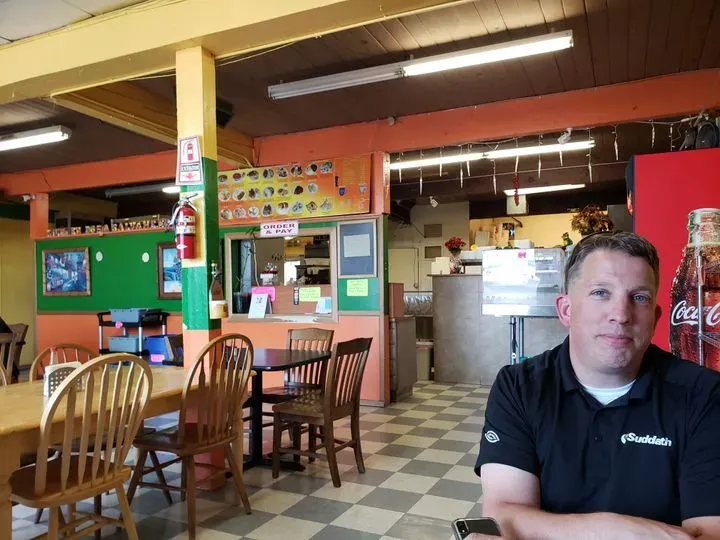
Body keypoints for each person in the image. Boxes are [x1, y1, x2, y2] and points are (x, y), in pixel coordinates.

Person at [470, 232, 720, 540]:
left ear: (655, 318)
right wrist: (617, 530)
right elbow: (505, 516)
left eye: (639, 297)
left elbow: (710, 532)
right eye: (601, 293)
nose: (621, 315)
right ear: (566, 310)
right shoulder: (518, 387)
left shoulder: (704, 395)